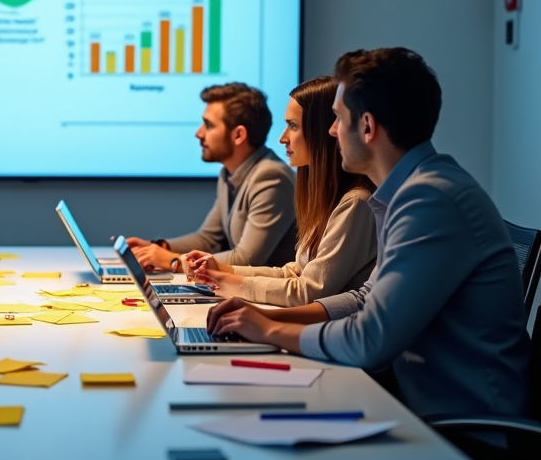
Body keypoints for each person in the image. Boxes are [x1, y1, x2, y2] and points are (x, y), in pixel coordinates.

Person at [206, 48, 530, 418]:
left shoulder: (431, 200)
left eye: (338, 118)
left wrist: (269, 332)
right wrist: (268, 318)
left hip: (462, 431)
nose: (330, 131)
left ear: (368, 127)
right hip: (416, 405)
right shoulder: (412, 191)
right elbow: (364, 299)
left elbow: (369, 340)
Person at [184, 76, 377, 306]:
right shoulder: (326, 198)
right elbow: (295, 272)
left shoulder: (356, 203)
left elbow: (307, 292)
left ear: (323, 133)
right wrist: (224, 269)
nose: (282, 138)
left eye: (293, 126)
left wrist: (227, 281)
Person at [126, 82, 296, 272]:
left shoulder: (272, 178)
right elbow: (209, 239)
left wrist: (174, 261)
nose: (199, 133)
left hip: (270, 300)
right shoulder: (229, 172)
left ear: (238, 135)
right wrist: (158, 248)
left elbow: (247, 258)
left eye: (208, 125)